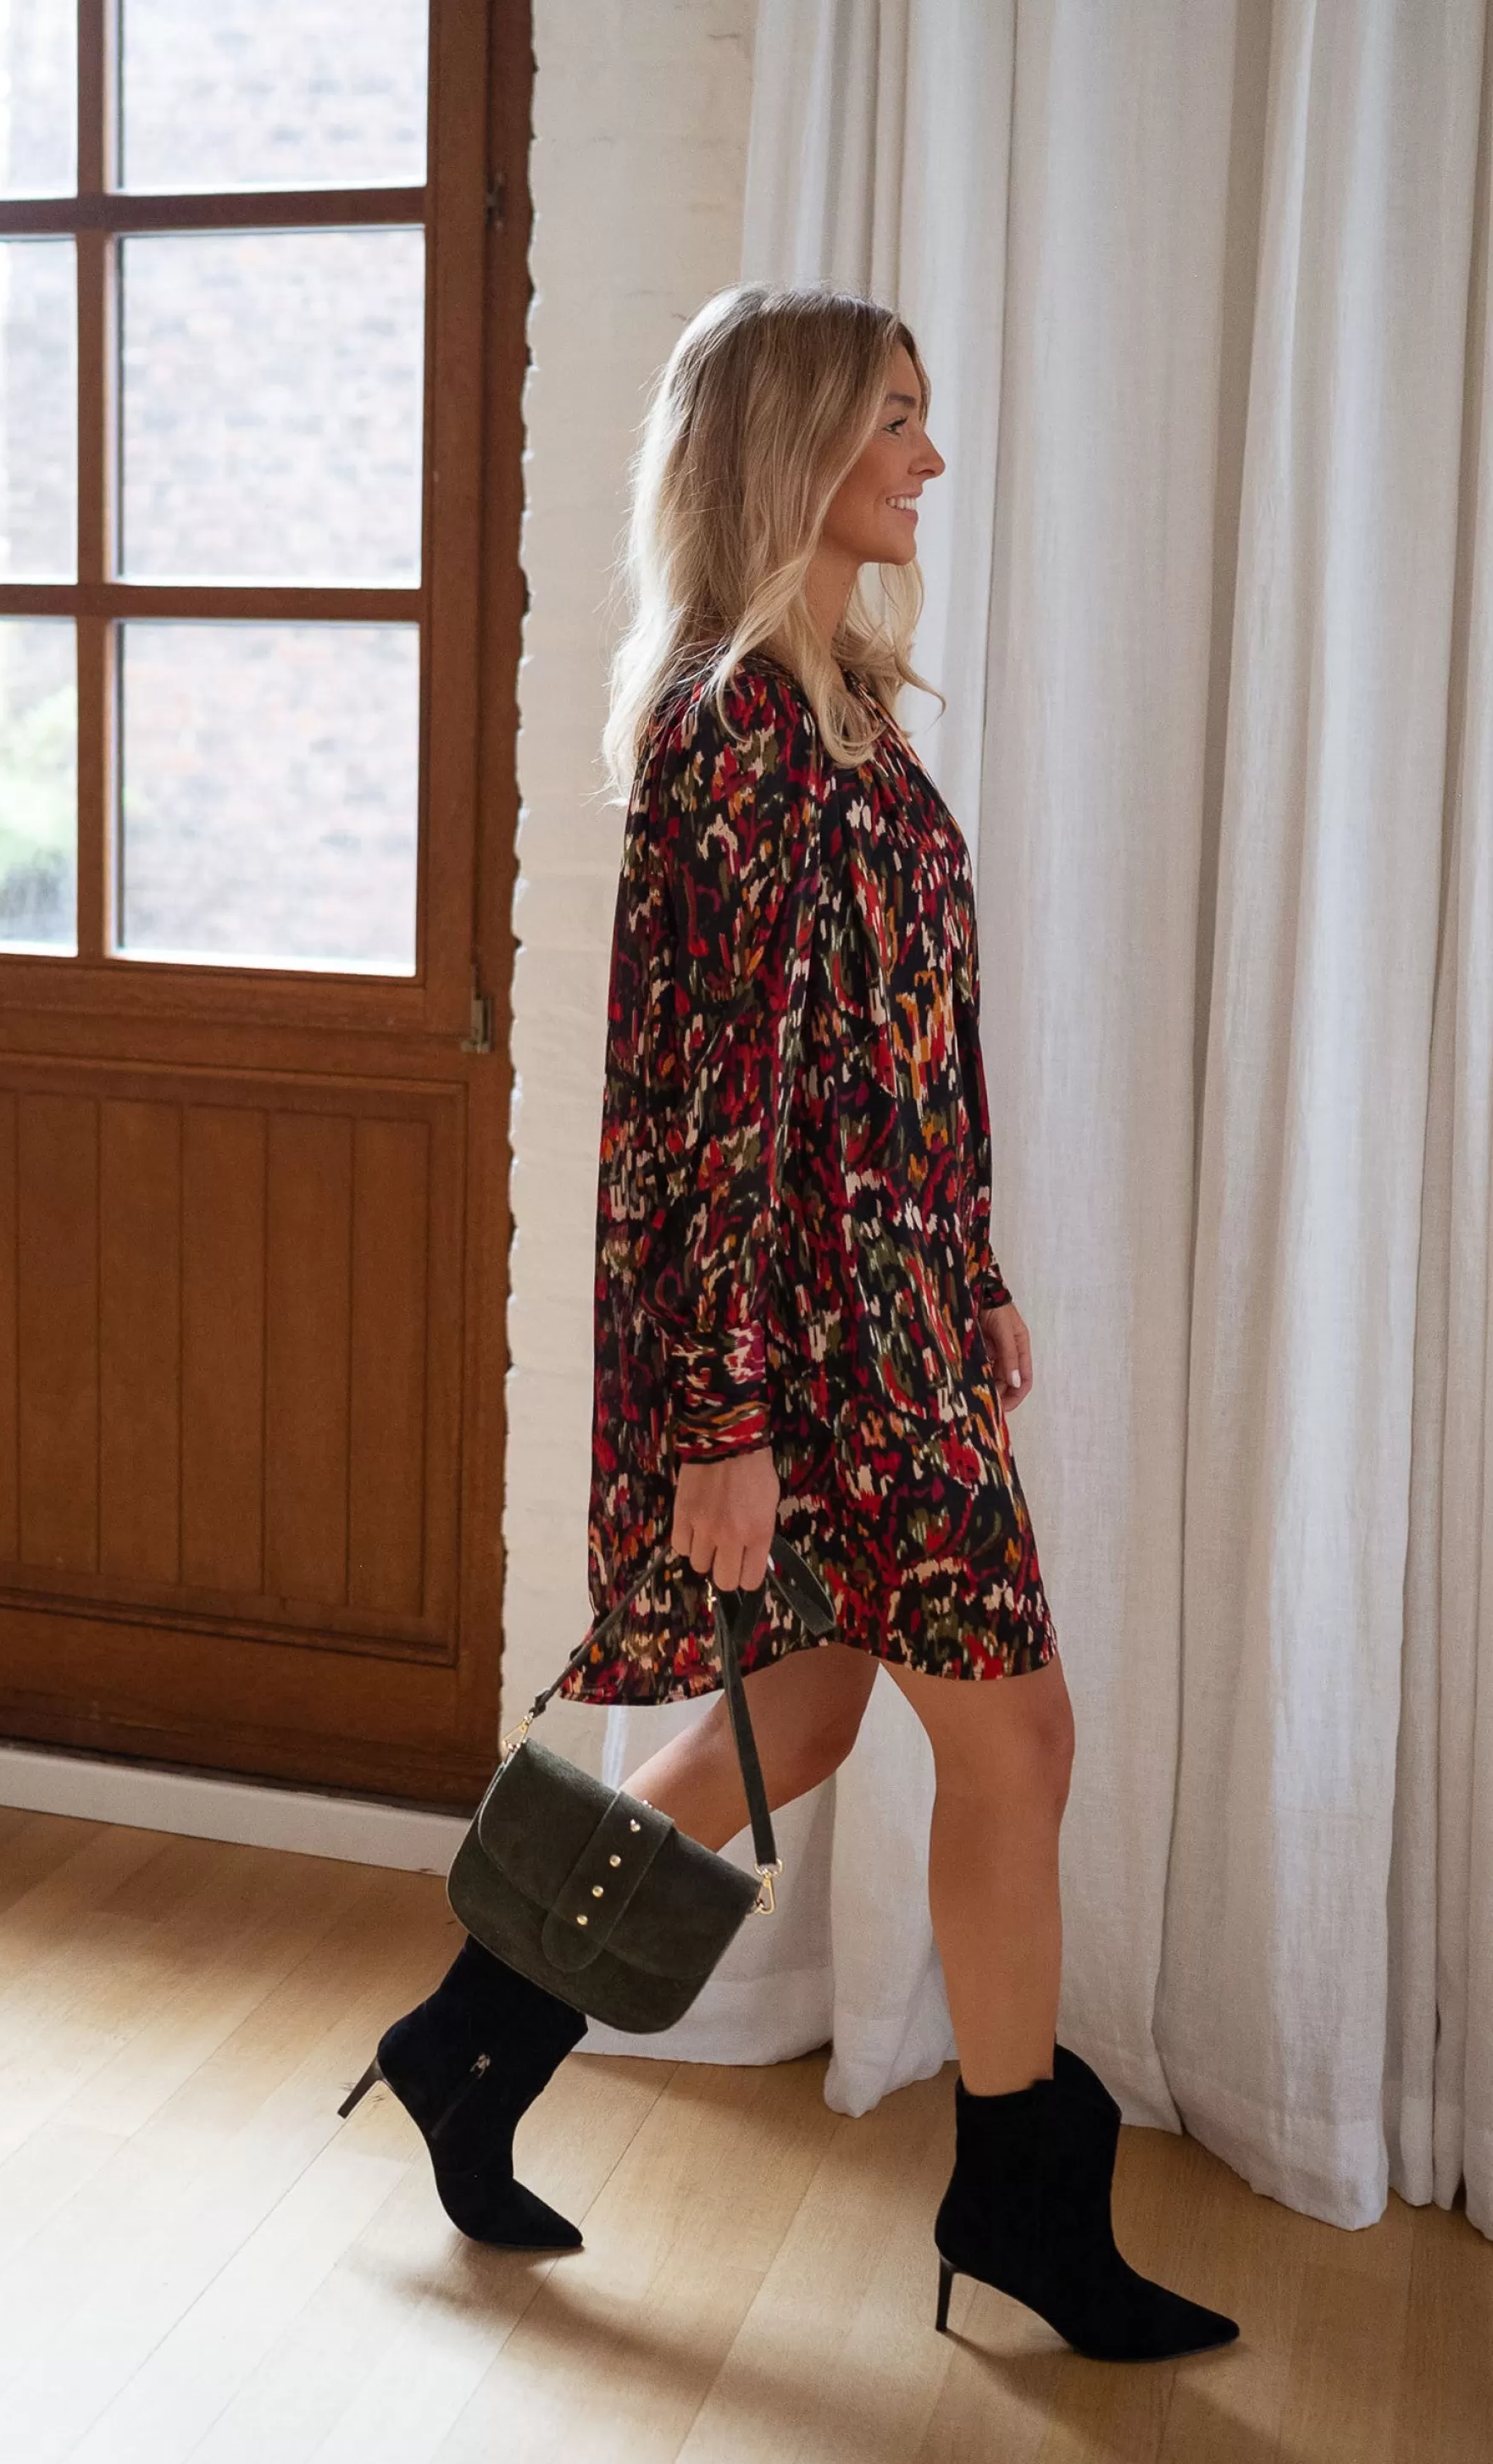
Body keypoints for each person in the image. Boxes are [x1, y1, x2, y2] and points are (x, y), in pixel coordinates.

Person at [342, 283, 1239, 2367]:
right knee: (1020, 1740)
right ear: (794, 443)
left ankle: (473, 2029)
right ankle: (1019, 2195)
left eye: (923, 416)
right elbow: (712, 1109)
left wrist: (972, 1261)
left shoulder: (842, 704)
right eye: (892, 417)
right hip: (817, 1358)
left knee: (813, 1722)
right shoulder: (730, 729)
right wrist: (722, 1421)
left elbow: (901, 1038)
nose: (930, 455)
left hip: (893, 1322)